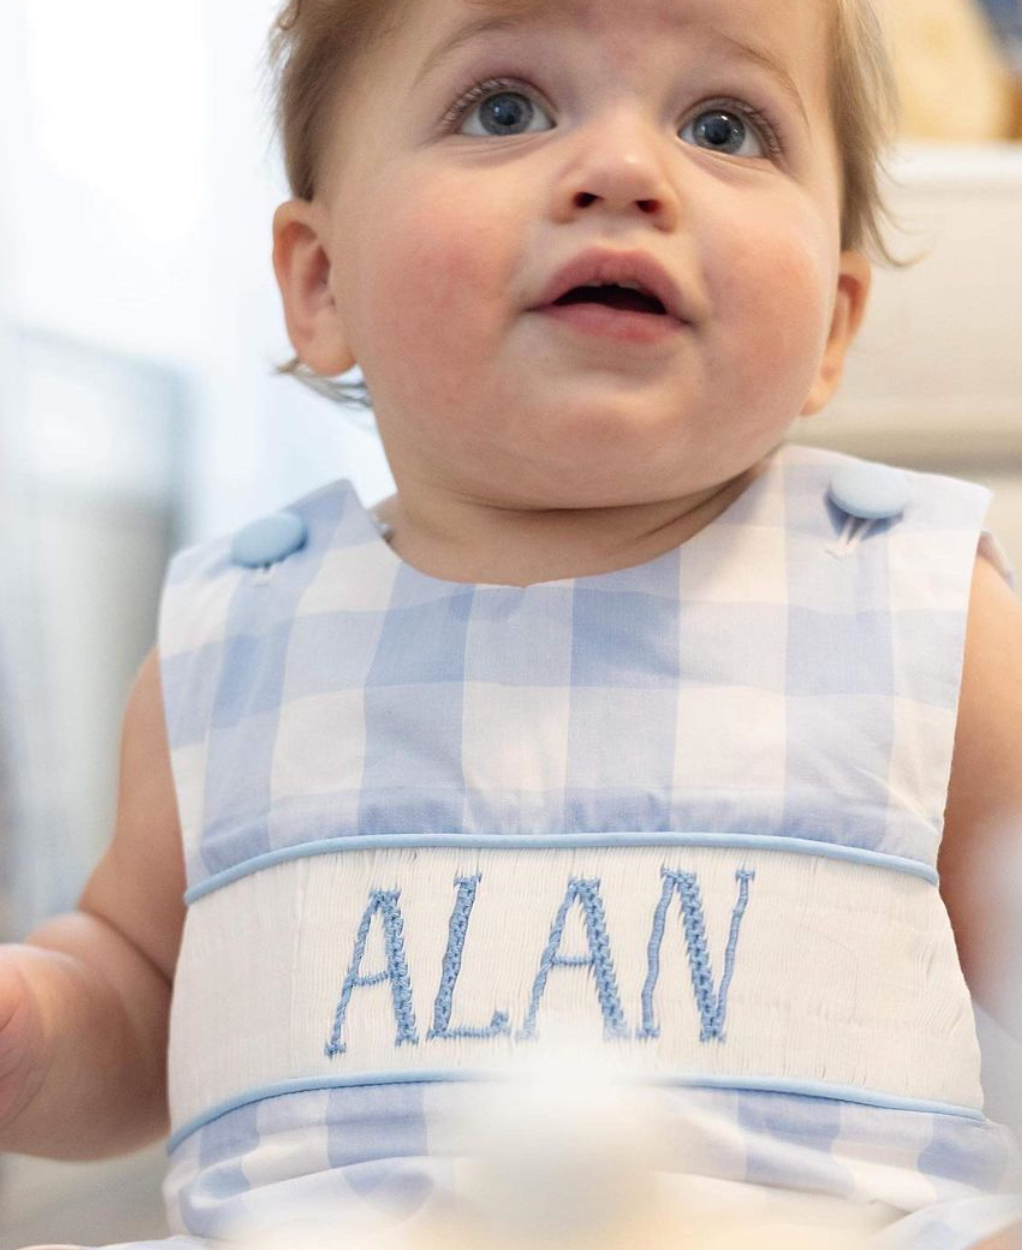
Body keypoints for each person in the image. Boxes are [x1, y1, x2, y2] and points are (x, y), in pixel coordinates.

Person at [1, 0, 1021, 1246]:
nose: (624, 172)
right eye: (505, 108)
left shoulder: (914, 610)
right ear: (321, 283)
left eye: (722, 123)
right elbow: (138, 987)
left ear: (832, 326)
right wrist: (35, 1024)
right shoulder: (240, 645)